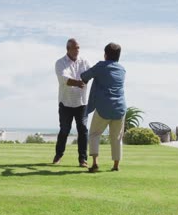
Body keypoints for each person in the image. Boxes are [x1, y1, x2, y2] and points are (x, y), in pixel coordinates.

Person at [80, 42, 126, 172]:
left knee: (94, 134)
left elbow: (84, 76)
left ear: (105, 55)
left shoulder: (100, 66)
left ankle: (95, 163)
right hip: (120, 107)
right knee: (116, 137)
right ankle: (116, 165)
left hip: (103, 107)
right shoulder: (122, 69)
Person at [53, 38, 91, 167]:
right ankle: (58, 155)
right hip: (65, 103)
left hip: (81, 102)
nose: (77, 50)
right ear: (68, 49)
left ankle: (83, 159)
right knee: (64, 130)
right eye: (75, 48)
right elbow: (64, 79)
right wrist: (80, 82)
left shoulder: (85, 61)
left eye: (78, 47)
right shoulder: (60, 62)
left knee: (83, 130)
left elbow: (91, 74)